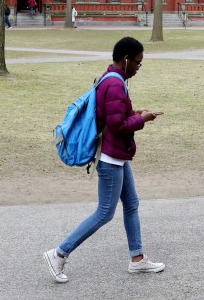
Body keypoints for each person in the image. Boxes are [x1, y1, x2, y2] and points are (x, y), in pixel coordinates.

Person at [45, 36, 165, 284]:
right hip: (111, 157)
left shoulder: (111, 78)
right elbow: (117, 124)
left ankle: (137, 259)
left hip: (117, 154)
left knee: (131, 204)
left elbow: (115, 114)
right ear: (126, 59)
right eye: (138, 64)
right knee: (104, 213)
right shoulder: (115, 84)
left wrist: (137, 112)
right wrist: (143, 120)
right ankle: (58, 253)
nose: (138, 69)